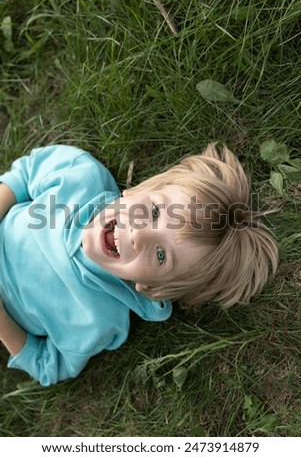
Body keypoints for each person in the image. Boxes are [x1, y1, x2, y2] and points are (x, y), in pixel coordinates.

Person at [0, 144, 278, 386]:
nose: (138, 234)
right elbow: (24, 175)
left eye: (161, 255)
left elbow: (47, 366)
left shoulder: (97, 320)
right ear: (137, 190)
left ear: (151, 289)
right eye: (155, 211)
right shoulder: (78, 178)